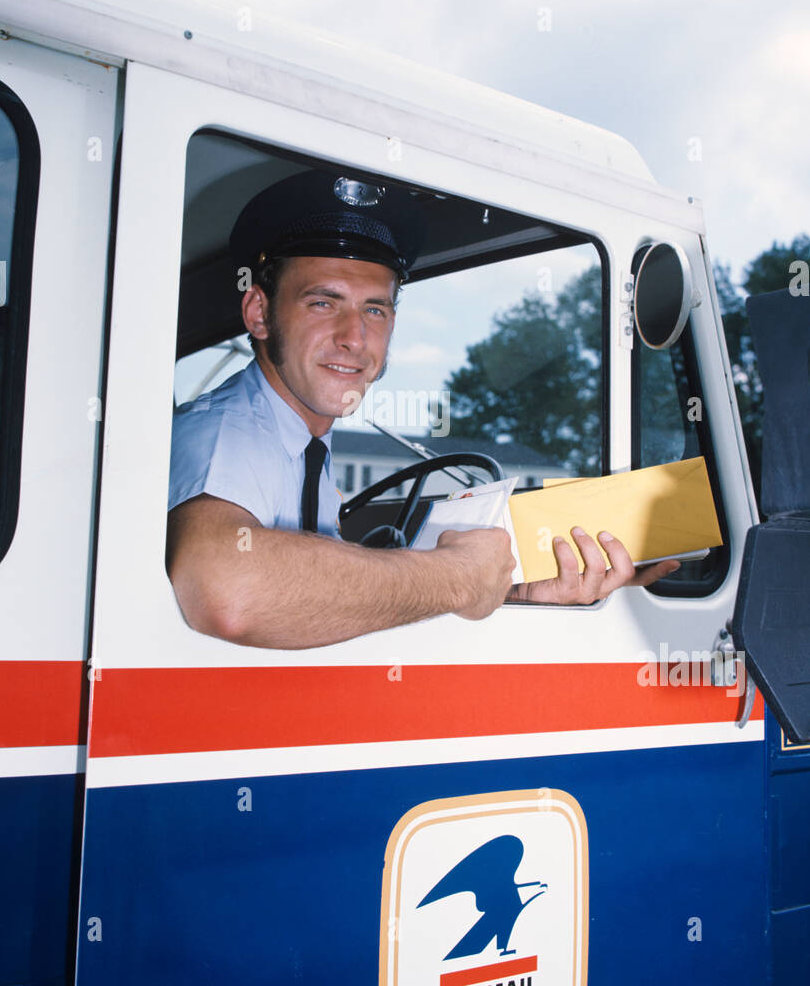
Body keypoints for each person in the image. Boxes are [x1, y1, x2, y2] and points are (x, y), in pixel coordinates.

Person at [166, 170, 679, 648]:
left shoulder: (303, 443)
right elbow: (226, 588)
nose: (354, 338)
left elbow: (311, 604)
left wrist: (507, 590)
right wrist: (456, 577)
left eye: (375, 309)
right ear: (259, 313)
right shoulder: (228, 432)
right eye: (323, 303)